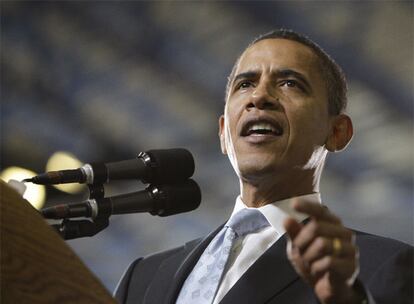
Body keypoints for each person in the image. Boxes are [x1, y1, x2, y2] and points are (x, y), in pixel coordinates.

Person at [114, 29, 413, 304]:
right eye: (245, 84)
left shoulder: (379, 267)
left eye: (289, 83)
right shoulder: (142, 279)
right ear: (223, 132)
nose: (259, 97)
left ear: (337, 132)